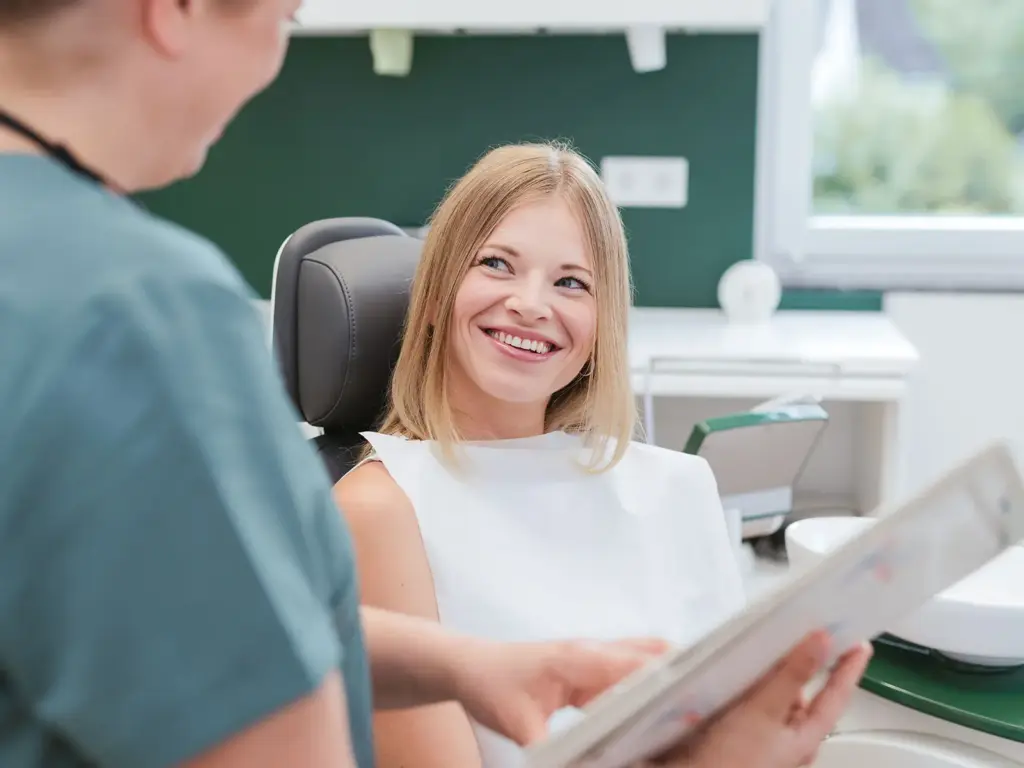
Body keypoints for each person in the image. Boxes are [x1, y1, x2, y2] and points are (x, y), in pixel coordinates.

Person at [0, 2, 700, 767]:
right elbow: (263, 720)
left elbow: (180, 624)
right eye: (286, 17)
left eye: (572, 283)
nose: (274, 61)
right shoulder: (140, 313)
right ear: (176, 11)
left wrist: (467, 668)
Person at [334, 142, 873, 768]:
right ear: (436, 293)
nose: (532, 304)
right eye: (497, 264)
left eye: (571, 282)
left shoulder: (677, 484)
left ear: (600, 328)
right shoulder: (379, 509)